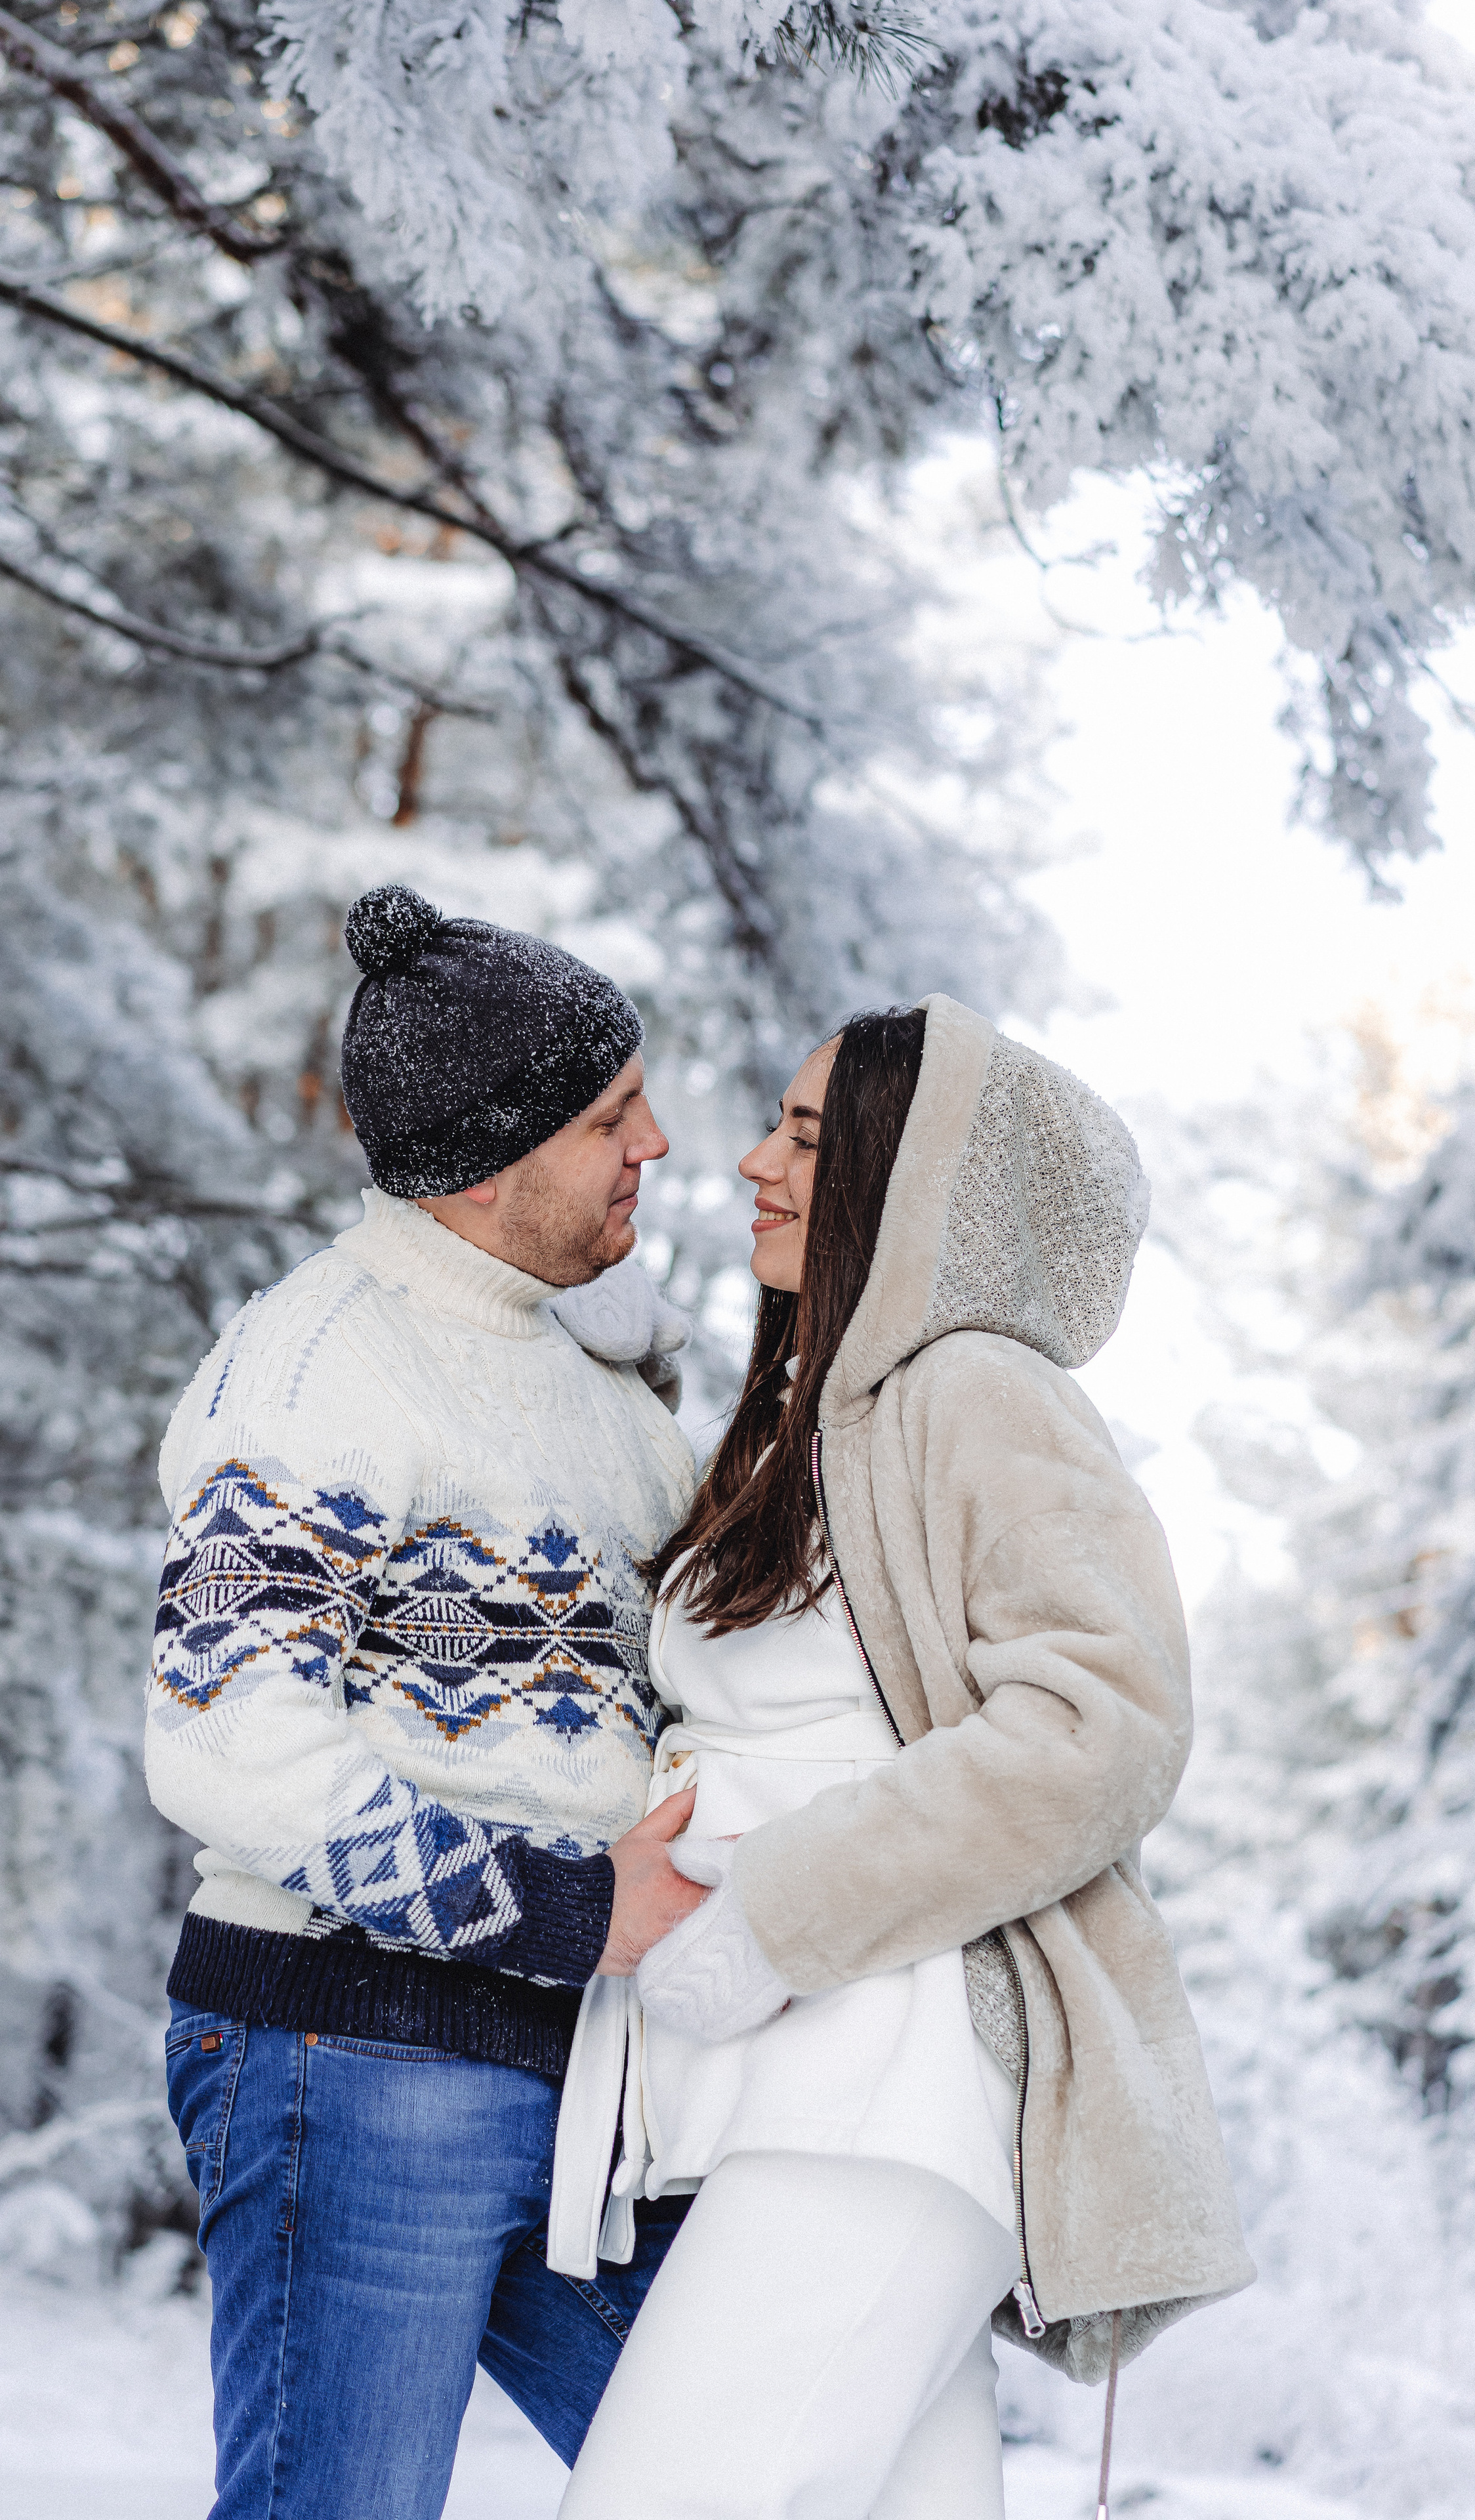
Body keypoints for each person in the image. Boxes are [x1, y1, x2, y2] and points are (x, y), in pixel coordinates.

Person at [552, 996, 1255, 2520]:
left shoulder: (971, 1394)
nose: (749, 1162)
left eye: (805, 1137)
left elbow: (1102, 1720)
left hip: (888, 2078)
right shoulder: (812, 1430)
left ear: (910, 1179)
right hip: (795, 2088)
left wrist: (775, 1913)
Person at [145, 883, 711, 2520]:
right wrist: (562, 1912)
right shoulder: (320, 1365)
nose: (656, 1143)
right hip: (348, 2045)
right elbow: (228, 1745)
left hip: (587, 2071)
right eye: (612, 1115)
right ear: (493, 1150)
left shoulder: (596, 1388)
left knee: (764, 2465)